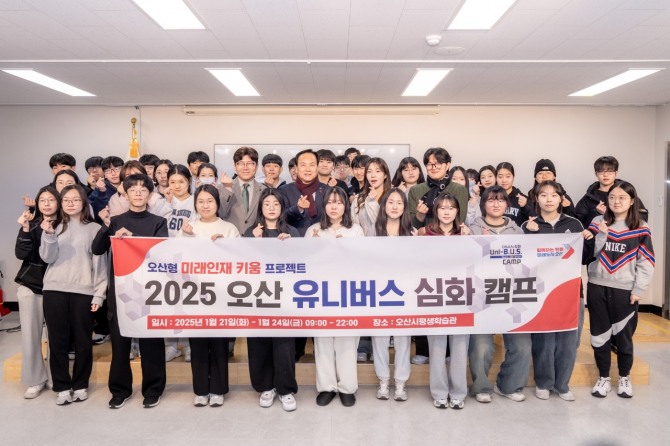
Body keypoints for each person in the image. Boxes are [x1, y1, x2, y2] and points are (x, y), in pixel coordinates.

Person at [92, 174, 169, 409]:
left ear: (150, 194)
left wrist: (132, 239)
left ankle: (153, 389)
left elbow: (160, 255)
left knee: (151, 344)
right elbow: (97, 249)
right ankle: (120, 390)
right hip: (120, 291)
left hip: (149, 291)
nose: (138, 193)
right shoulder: (115, 221)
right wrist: (106, 227)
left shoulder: (158, 222)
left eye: (143, 189)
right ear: (125, 194)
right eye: (132, 189)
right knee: (120, 344)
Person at [521, 180, 593, 402]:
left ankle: (562, 385)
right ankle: (543, 382)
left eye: (553, 195)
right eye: (543, 195)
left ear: (561, 199)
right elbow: (523, 261)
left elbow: (584, 258)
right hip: (541, 293)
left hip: (571, 291)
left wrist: (589, 240)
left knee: (569, 340)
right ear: (536, 199)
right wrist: (529, 235)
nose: (549, 199)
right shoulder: (528, 226)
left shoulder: (574, 224)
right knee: (543, 340)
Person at [40, 184, 107, 405]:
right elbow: (47, 258)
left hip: (83, 292)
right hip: (54, 290)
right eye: (66, 200)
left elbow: (100, 265)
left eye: (75, 199)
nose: (70, 203)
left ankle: (80, 385)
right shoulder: (52, 225)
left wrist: (99, 294)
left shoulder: (94, 228)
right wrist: (49, 235)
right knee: (57, 342)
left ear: (84, 202)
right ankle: (61, 387)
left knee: (83, 342)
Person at [586, 181, 654, 399]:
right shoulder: (597, 222)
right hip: (597, 286)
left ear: (632, 201)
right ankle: (603, 377)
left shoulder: (641, 227)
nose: (616, 201)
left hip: (625, 290)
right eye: (612, 197)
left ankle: (625, 377)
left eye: (622, 197)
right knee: (599, 336)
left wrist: (638, 289)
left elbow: (646, 261)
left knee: (624, 337)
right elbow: (589, 255)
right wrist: (601, 235)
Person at [468, 185, 531, 403]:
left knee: (522, 345)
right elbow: (465, 261)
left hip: (511, 295)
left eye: (501, 200)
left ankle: (509, 385)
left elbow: (528, 261)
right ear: (483, 204)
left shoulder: (517, 231)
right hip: (481, 296)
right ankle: (481, 387)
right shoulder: (472, 229)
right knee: (481, 346)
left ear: (507, 204)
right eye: (491, 200)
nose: (496, 204)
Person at [179, 184, 238, 407]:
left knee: (219, 345)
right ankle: (201, 389)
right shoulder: (188, 228)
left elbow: (241, 261)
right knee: (198, 344)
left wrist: (224, 247)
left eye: (210, 201)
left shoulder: (229, 229)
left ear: (217, 204)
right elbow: (176, 259)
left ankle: (219, 389)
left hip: (221, 296)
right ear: (195, 204)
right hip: (194, 295)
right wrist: (186, 237)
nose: (205, 205)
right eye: (201, 201)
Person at [306, 186, 363, 407]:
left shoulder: (355, 231)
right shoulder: (313, 231)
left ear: (345, 206)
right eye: (330, 202)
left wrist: (344, 249)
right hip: (320, 294)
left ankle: (348, 387)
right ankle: (327, 387)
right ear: (324, 205)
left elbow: (362, 264)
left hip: (347, 294)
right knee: (323, 343)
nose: (334, 207)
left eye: (338, 203)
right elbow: (305, 262)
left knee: (347, 342)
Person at [244, 188, 300, 412]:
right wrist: (255, 242)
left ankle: (285, 389)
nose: (271, 208)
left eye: (275, 204)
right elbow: (243, 265)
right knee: (259, 345)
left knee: (284, 346)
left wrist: (290, 247)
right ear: (260, 208)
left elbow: (301, 266)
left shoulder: (292, 232)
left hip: (285, 300)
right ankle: (266, 387)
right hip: (257, 298)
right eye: (267, 204)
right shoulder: (251, 233)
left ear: (282, 208)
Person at [422, 194, 471, 409]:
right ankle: (439, 392)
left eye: (451, 208)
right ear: (436, 211)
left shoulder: (466, 234)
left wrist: (470, 241)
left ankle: (458, 393)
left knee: (460, 347)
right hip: (434, 297)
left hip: (461, 297)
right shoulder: (426, 234)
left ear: (457, 211)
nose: (446, 211)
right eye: (442, 207)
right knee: (437, 347)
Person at [14, 186, 61, 399]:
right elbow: (21, 253)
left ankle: (53, 376)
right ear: (38, 203)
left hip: (57, 287)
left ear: (59, 202)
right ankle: (34, 380)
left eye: (51, 200)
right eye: (42, 200)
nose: (47, 204)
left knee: (56, 337)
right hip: (31, 286)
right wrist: (25, 229)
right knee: (31, 336)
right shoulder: (30, 224)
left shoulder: (65, 226)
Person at [370, 188, 414, 402]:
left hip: (404, 292)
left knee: (402, 338)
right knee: (379, 337)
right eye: (390, 202)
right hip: (379, 291)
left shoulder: (411, 231)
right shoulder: (373, 230)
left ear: (404, 207)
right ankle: (383, 381)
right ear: (384, 206)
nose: (395, 206)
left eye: (399, 202)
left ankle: (401, 382)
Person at [164, 164, 196, 362]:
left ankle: (190, 344)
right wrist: (167, 204)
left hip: (190, 257)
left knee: (190, 301)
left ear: (189, 181)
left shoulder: (196, 201)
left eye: (181, 181)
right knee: (170, 301)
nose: (177, 186)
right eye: (172, 182)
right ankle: (171, 345)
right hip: (167, 259)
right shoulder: (162, 202)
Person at [575, 156, 649, 230]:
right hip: (598, 236)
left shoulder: (627, 193)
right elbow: (578, 224)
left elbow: (642, 217)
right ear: (596, 174)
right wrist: (596, 213)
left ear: (616, 173)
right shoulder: (589, 197)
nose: (605, 175)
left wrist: (614, 216)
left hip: (626, 235)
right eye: (601, 171)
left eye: (610, 171)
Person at [408, 147, 469, 230]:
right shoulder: (415, 190)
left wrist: (429, 231)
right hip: (422, 237)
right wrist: (420, 215)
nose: (434, 167)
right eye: (429, 164)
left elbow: (459, 221)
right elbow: (412, 226)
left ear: (447, 165)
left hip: (450, 236)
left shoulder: (459, 190)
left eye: (438, 163)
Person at [279, 149, 330, 236]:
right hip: (294, 239)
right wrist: (298, 209)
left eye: (312, 165)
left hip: (323, 239)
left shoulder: (327, 190)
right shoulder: (284, 190)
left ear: (317, 167)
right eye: (303, 165)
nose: (308, 169)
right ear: (296, 169)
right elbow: (281, 218)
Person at [218, 146, 267, 236]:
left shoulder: (264, 190)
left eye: (250, 163)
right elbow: (221, 213)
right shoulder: (222, 188)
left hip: (255, 240)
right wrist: (228, 189)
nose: (245, 168)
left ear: (256, 166)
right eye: (240, 163)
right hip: (230, 239)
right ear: (235, 166)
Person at [352, 157, 392, 236]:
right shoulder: (358, 199)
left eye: (378, 171)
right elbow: (354, 227)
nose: (373, 175)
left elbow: (382, 225)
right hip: (363, 242)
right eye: (369, 172)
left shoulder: (392, 197)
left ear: (385, 175)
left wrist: (371, 202)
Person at [495, 161, 532, 227]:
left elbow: (534, 219)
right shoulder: (491, 198)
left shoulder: (522, 198)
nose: (504, 180)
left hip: (517, 233)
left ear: (513, 177)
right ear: (496, 178)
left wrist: (525, 207)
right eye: (500, 177)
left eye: (508, 176)